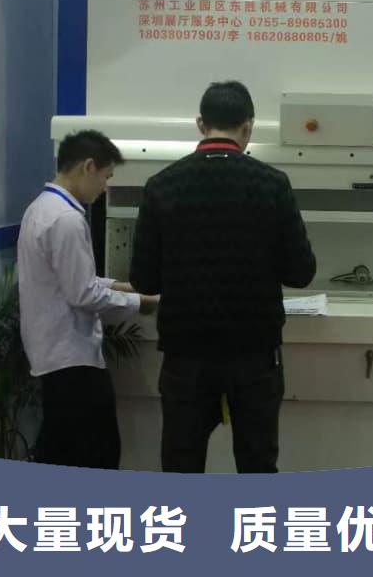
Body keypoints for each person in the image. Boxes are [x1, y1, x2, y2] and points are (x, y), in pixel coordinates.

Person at [130, 80, 316, 473]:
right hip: (255, 355)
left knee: (181, 467)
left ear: (201, 124)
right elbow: (301, 273)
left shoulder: (161, 186)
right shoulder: (272, 184)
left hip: (185, 356)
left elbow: (144, 281)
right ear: (248, 127)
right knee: (257, 466)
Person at [18, 130, 158, 469]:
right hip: (72, 358)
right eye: (106, 177)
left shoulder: (41, 209)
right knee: (98, 451)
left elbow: (74, 280)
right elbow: (83, 293)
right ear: (88, 167)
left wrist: (125, 286)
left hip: (53, 354)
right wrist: (142, 303)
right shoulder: (67, 219)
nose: (104, 188)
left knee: (60, 448)